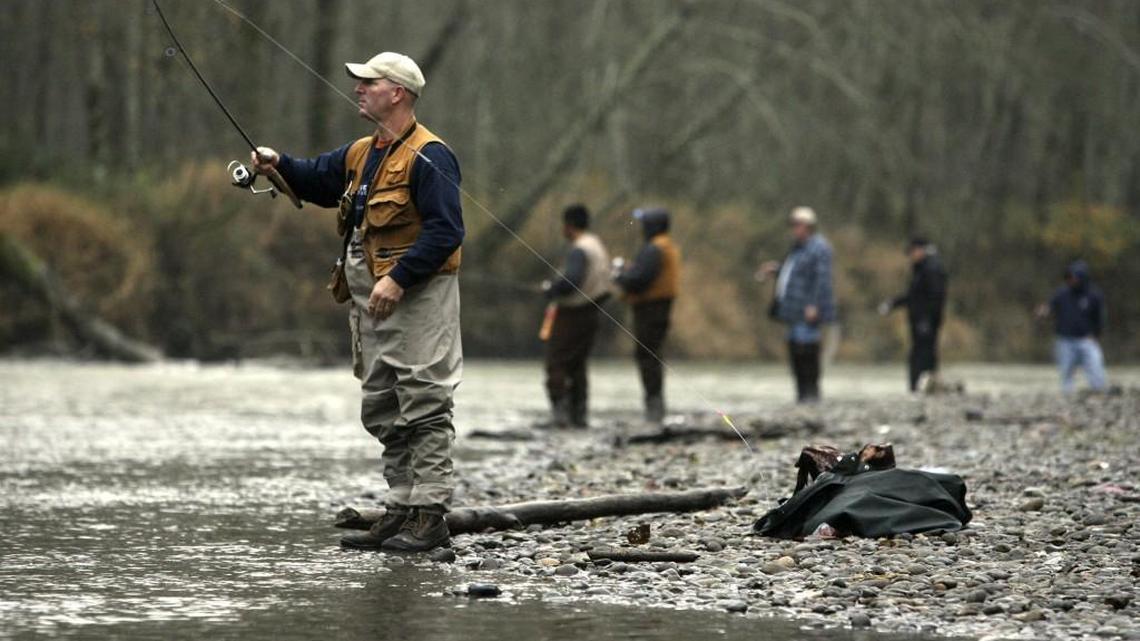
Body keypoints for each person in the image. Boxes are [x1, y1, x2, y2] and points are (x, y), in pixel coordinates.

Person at [251, 52, 462, 553]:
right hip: (369, 299)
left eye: (370, 81)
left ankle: (430, 517)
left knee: (425, 399)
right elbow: (316, 179)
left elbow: (448, 229)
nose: (359, 87)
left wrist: (400, 279)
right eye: (359, 81)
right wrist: (278, 163)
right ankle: (402, 506)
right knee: (382, 402)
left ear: (399, 93)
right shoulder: (362, 152)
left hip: (418, 296)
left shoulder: (432, 155)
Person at [541, 205, 611, 428]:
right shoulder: (596, 245)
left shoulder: (579, 249)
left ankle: (560, 417)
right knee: (578, 365)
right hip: (592, 312)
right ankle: (579, 417)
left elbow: (571, 280)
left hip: (572, 314)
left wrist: (551, 289)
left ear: (569, 226)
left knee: (557, 362)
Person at [759, 207, 836, 403]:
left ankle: (811, 394)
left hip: (807, 311)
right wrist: (776, 270)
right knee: (795, 350)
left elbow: (822, 279)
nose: (793, 229)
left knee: (807, 350)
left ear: (808, 226)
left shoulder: (819, 248)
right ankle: (802, 394)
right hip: (793, 310)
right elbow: (794, 274)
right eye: (792, 225)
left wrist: (814, 304)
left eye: (797, 225)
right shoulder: (797, 248)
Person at [614, 208, 681, 424]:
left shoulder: (654, 248)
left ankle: (654, 411)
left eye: (644, 223)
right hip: (658, 309)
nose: (641, 228)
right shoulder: (664, 246)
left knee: (647, 356)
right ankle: (655, 408)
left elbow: (639, 279)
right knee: (652, 355)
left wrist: (619, 275)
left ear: (653, 225)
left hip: (651, 310)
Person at [879, 238, 948, 392]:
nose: (910, 255)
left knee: (924, 355)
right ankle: (919, 388)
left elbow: (936, 297)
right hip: (919, 320)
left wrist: (927, 319)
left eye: (912, 251)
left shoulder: (932, 269)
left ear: (921, 250)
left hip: (926, 321)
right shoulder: (921, 268)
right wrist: (892, 304)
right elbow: (912, 296)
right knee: (920, 353)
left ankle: (923, 388)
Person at [1035, 260, 1108, 394]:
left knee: (1095, 367)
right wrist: (1043, 312)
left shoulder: (1094, 295)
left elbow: (1100, 318)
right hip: (1065, 339)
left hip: (1086, 339)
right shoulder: (1062, 293)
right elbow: (1050, 307)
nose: (1071, 280)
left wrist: (1096, 334)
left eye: (1074, 277)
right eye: (1069, 277)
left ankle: (1099, 392)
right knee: (1066, 371)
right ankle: (1068, 396)